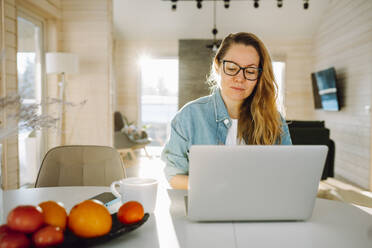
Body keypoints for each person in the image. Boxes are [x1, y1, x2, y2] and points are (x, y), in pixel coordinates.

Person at [161, 32, 292, 189]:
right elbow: (173, 176)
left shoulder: (274, 120)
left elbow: (287, 173)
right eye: (231, 68)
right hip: (207, 207)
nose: (240, 78)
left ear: (259, 76)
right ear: (218, 66)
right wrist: (215, 187)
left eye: (250, 71)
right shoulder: (189, 116)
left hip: (258, 208)